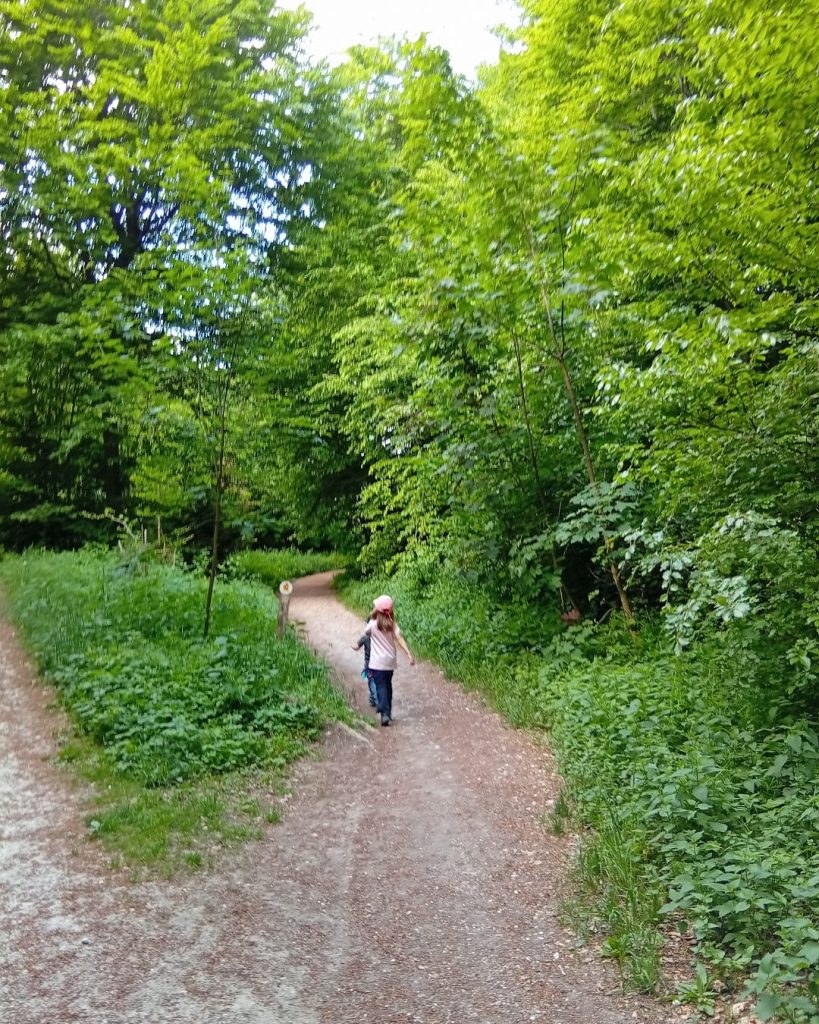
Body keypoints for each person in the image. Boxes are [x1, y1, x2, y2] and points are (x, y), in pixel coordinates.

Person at [353, 594, 415, 726]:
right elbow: (400, 638)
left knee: (380, 686)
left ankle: (384, 713)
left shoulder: (373, 624)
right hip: (390, 661)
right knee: (388, 685)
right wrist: (409, 654)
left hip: (377, 662)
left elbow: (366, 631)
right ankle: (388, 711)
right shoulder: (392, 625)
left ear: (376, 610)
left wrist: (373, 615)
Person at [352, 624, 378, 707]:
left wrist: (351, 646)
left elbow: (356, 647)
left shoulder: (365, 638)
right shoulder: (379, 638)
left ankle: (376, 699)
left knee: (371, 681)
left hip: (369, 664)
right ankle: (374, 699)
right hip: (379, 663)